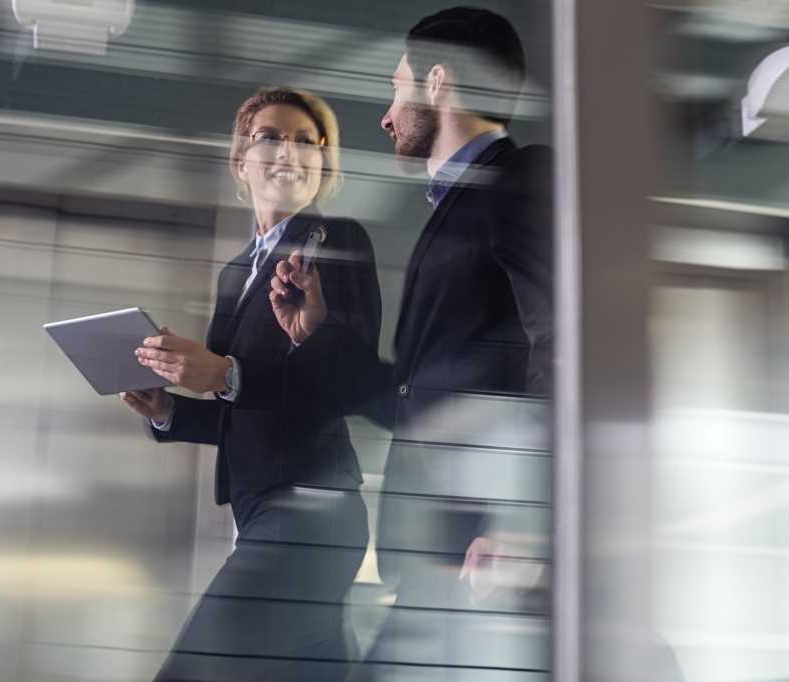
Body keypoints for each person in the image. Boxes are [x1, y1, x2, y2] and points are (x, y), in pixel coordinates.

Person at [268, 8, 553, 678]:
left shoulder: (519, 181)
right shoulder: (463, 205)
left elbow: (565, 346)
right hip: (445, 548)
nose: (387, 116)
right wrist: (318, 335)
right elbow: (420, 399)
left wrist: (524, 521)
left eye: (398, 89)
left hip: (485, 548)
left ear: (438, 83)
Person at [121, 86, 382, 682]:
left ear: (323, 165)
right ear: (241, 160)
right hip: (259, 511)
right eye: (270, 136)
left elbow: (346, 378)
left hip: (312, 511)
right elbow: (246, 410)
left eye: (306, 140)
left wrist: (225, 374)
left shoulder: (336, 242)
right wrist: (168, 410)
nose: (288, 149)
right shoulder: (237, 272)